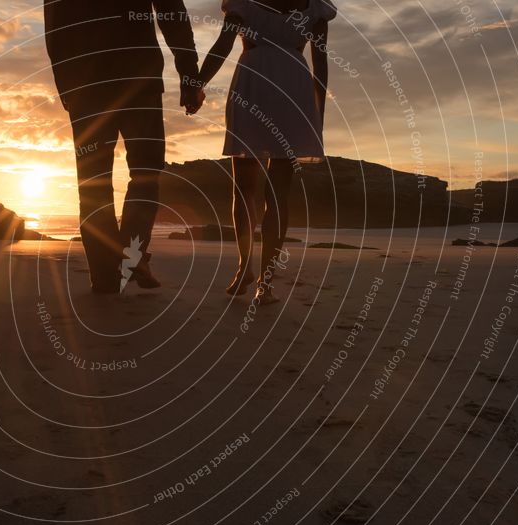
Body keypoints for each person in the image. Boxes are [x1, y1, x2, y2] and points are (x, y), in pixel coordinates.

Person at [44, 1, 203, 294]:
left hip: (87, 85)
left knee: (95, 182)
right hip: (137, 78)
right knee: (145, 172)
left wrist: (64, 83)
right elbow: (173, 15)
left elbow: (54, 24)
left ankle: (107, 274)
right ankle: (131, 256)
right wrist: (189, 76)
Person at [196, 0, 336, 302]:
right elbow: (321, 65)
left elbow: (223, 45)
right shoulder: (315, 7)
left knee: (244, 189)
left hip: (254, 83)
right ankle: (265, 282)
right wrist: (318, 112)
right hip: (293, 88)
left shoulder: (244, 4)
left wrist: (196, 83)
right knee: (276, 194)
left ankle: (247, 267)